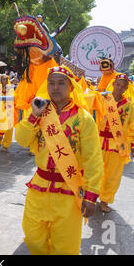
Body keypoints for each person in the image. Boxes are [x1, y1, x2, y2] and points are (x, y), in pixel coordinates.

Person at [15, 65, 103, 255]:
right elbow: (21, 140)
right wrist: (33, 117)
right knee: (33, 240)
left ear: (71, 87)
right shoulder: (41, 113)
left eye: (61, 83)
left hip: (69, 192)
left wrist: (91, 194)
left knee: (65, 248)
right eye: (51, 83)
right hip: (39, 186)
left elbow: (93, 158)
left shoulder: (84, 119)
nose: (55, 88)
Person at [99, 73, 134, 212]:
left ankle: (105, 200)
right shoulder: (101, 98)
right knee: (93, 172)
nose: (119, 88)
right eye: (118, 84)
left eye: (123, 86)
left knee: (113, 175)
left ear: (126, 88)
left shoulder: (128, 106)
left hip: (118, 144)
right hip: (97, 142)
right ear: (113, 84)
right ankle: (89, 197)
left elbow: (133, 126)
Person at [0, 74, 15, 152]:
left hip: (9, 111)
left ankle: (6, 145)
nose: (5, 81)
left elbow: (11, 97)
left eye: (7, 79)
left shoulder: (10, 88)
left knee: (9, 128)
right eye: (3, 79)